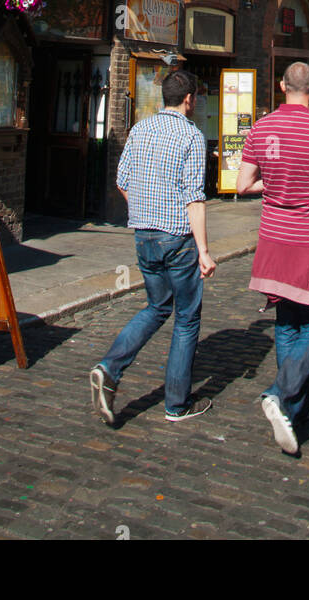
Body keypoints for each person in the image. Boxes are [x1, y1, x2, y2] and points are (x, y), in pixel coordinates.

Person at [89, 70, 216, 427]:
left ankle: (109, 367)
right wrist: (203, 250)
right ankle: (176, 404)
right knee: (187, 319)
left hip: (144, 235)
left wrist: (143, 211)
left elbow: (122, 180)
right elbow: (194, 198)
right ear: (189, 99)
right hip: (177, 239)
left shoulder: (140, 129)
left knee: (156, 306)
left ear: (165, 97)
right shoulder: (191, 135)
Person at [237, 62, 309, 456]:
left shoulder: (262, 127)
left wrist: (277, 179)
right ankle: (281, 394)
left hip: (272, 241)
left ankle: (294, 411)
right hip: (308, 241)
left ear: (282, 85)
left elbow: (243, 184)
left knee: (286, 323)